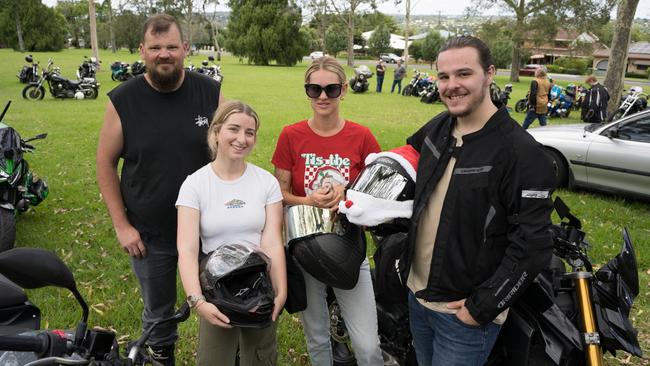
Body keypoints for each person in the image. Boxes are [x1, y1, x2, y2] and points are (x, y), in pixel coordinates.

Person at [400, 36, 556, 366]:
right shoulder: (439, 127)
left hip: (464, 317)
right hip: (417, 296)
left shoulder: (521, 152)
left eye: (463, 74)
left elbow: (533, 246)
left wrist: (482, 307)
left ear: (489, 74)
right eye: (443, 77)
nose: (451, 86)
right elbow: (407, 158)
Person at [96, 13, 224, 365]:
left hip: (208, 229)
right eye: (155, 48)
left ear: (185, 48)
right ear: (142, 51)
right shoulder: (123, 100)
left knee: (221, 302)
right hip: (151, 234)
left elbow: (230, 153)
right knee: (159, 314)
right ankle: (159, 356)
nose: (163, 54)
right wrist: (122, 226)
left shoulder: (210, 92)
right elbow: (105, 163)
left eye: (171, 47)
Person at [271, 56, 384, 366]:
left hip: (349, 247)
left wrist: (345, 193)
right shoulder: (290, 135)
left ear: (344, 90)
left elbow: (378, 191)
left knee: (367, 345)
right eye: (314, 89)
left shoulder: (361, 136)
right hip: (303, 248)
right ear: (307, 91)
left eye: (331, 89)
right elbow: (278, 194)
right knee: (317, 338)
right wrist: (310, 201)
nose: (322, 96)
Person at [176, 100, 286, 366]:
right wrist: (197, 300)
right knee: (214, 360)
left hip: (259, 285)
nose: (241, 139)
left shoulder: (266, 182)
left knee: (261, 358)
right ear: (216, 132)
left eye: (249, 132)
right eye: (234, 129)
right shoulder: (195, 184)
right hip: (217, 288)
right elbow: (187, 248)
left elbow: (272, 241)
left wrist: (280, 291)